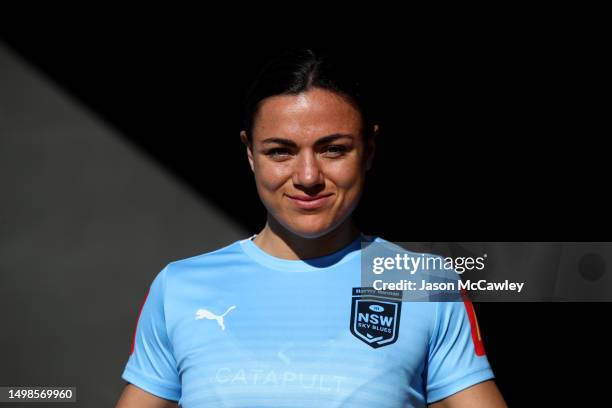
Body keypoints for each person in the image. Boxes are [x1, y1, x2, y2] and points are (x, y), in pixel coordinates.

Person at [116, 49, 507, 408]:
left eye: (333, 149)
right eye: (280, 151)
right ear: (250, 153)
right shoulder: (180, 287)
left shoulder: (424, 285)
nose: (307, 177)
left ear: (369, 151)